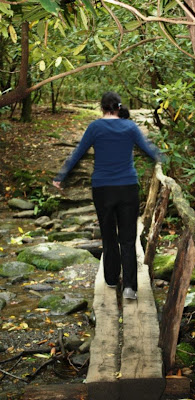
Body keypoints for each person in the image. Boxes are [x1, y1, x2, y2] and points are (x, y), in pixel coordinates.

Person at [53, 91, 163, 300]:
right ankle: (130, 287)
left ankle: (111, 279)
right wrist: (164, 160)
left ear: (101, 107)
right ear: (119, 107)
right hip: (128, 187)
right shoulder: (130, 127)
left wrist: (61, 176)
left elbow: (77, 153)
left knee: (109, 236)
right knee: (128, 239)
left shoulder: (95, 127)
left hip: (102, 189)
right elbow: (150, 149)